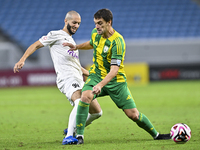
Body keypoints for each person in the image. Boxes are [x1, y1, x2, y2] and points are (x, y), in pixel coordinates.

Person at [63, 8, 171, 145]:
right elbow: (91, 44)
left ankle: (156, 135)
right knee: (85, 97)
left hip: (116, 82)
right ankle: (79, 136)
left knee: (133, 114)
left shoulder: (118, 42)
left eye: (100, 23)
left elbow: (114, 70)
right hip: (96, 75)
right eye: (95, 23)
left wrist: (100, 85)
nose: (97, 26)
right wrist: (76, 46)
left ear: (109, 22)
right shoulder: (95, 33)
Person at [13, 10, 102, 145]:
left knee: (97, 112)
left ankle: (71, 128)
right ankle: (69, 137)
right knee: (79, 102)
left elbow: (76, 65)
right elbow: (36, 44)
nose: (76, 25)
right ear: (66, 21)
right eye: (74, 22)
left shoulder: (72, 41)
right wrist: (22, 59)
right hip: (67, 78)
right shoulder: (56, 34)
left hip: (78, 78)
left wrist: (90, 74)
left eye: (78, 23)